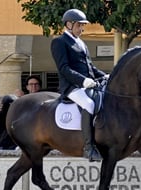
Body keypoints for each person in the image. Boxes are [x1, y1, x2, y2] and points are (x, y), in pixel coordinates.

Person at [50, 9, 107, 162]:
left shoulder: (81, 43)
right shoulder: (59, 42)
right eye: (79, 26)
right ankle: (88, 148)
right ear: (69, 24)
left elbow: (90, 67)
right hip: (71, 87)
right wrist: (83, 81)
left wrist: (105, 75)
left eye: (83, 26)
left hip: (87, 85)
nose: (82, 29)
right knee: (88, 104)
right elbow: (64, 68)